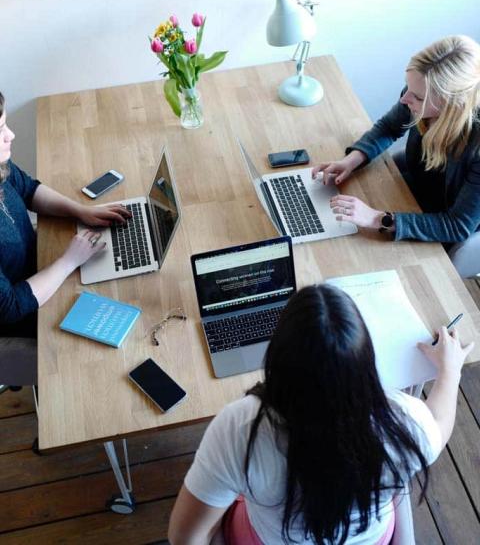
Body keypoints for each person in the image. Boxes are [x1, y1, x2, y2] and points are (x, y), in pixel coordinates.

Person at [168, 284, 473, 545]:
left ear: (277, 357)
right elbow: (440, 426)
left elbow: (184, 536)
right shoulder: (404, 421)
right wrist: (450, 370)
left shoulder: (240, 428)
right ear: (366, 361)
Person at [312, 35, 480, 278]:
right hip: (414, 192)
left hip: (443, 224)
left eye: (417, 97)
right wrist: (352, 160)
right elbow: (389, 127)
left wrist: (379, 219)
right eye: (408, 87)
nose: (404, 99)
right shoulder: (417, 93)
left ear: (453, 102)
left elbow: (457, 225)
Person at [0, 91, 130, 384]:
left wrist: (80, 211)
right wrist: (69, 260)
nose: (11, 135)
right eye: (0, 130)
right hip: (24, 321)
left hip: (44, 268)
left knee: (119, 276)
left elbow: (28, 189)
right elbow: (10, 307)